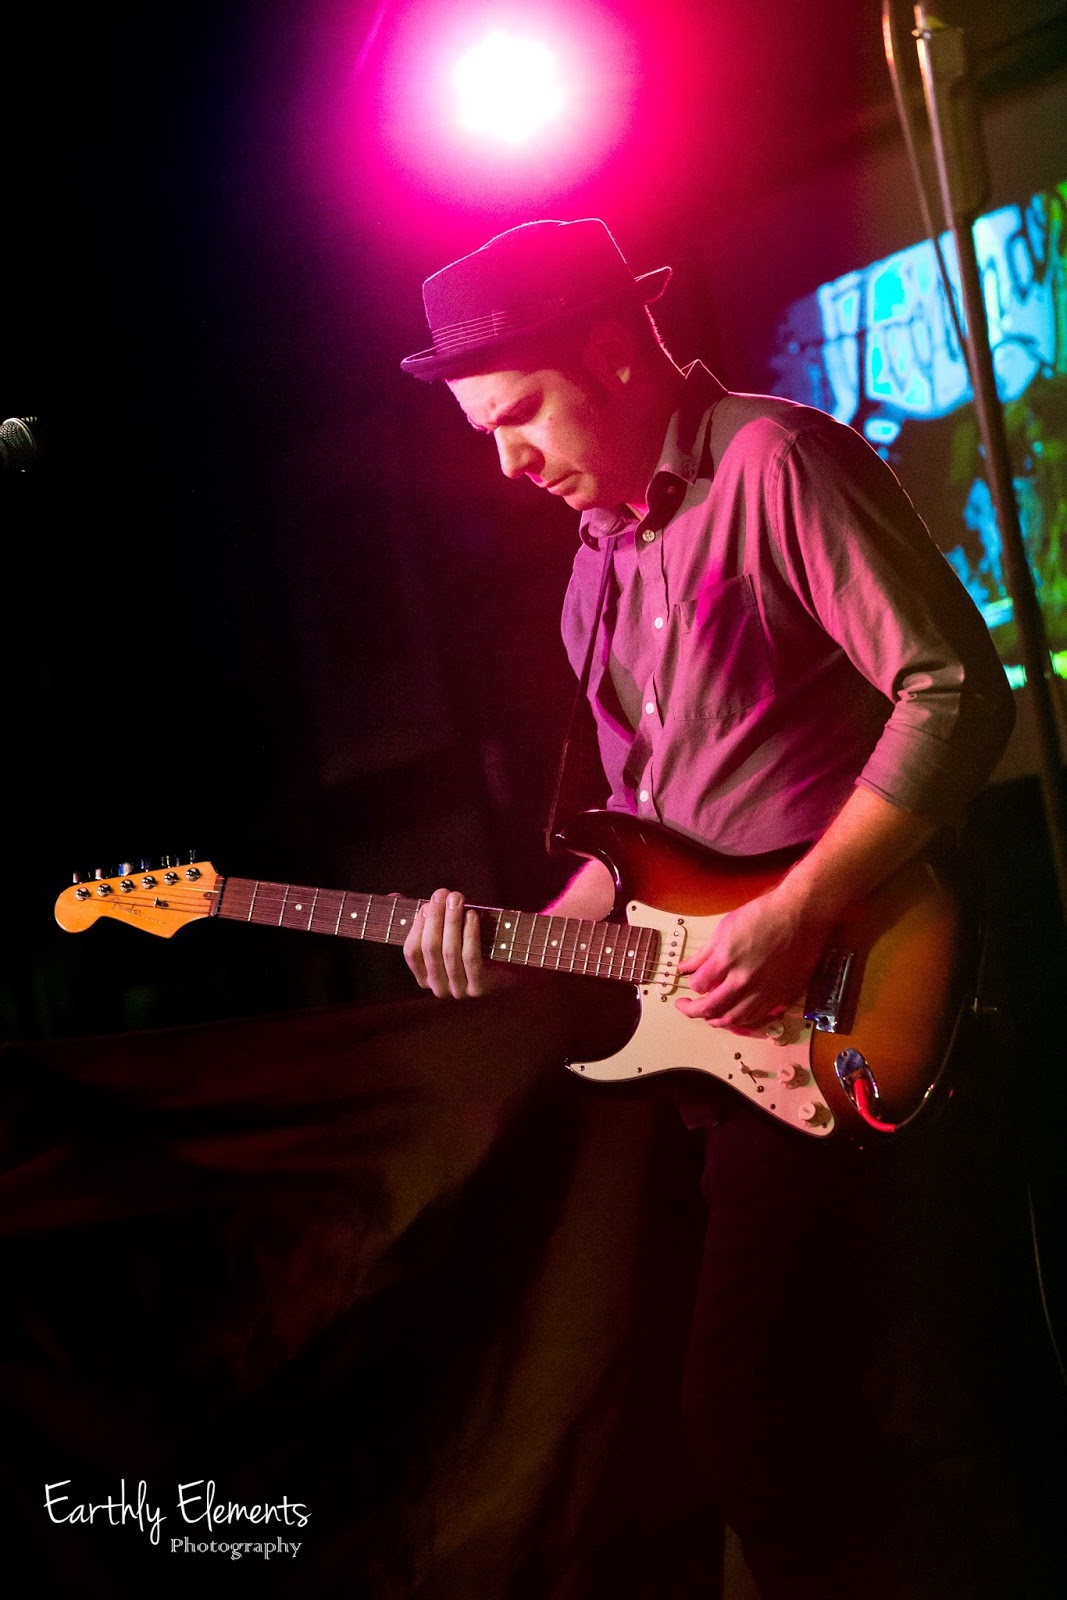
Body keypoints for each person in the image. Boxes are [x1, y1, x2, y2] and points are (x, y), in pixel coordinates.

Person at [398, 219, 1029, 1599]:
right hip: (744, 1054)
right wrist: (505, 945)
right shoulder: (592, 577)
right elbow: (644, 850)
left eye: (518, 413)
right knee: (875, 1408)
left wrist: (799, 910)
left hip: (865, 990)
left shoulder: (775, 462)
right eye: (482, 433)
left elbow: (952, 694)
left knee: (767, 1411)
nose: (505, 463)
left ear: (615, 355)